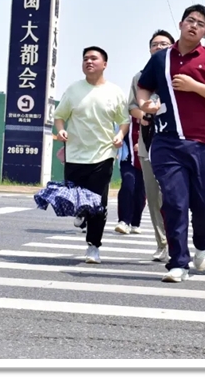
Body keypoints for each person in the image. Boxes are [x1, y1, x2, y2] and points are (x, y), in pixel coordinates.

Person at [136, 5, 205, 283]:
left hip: (204, 143)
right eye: (190, 20)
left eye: (200, 24)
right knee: (174, 203)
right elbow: (144, 86)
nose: (194, 26)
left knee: (204, 203)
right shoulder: (161, 59)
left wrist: (195, 86)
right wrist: (145, 103)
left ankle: (202, 244)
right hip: (166, 142)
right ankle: (178, 262)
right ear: (180, 24)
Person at [54, 46, 128, 264]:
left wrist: (120, 135)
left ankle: (93, 246)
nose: (89, 61)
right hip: (75, 153)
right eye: (85, 58)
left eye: (94, 58)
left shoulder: (115, 92)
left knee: (97, 202)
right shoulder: (73, 90)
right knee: (76, 198)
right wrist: (61, 130)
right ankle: (81, 212)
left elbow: (124, 120)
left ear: (104, 64)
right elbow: (59, 116)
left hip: (103, 153)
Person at [127, 29, 175, 262]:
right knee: (154, 197)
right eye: (155, 44)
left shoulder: (178, 75)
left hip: (175, 144)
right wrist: (144, 115)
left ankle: (177, 241)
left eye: (164, 44)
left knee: (174, 196)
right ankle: (162, 244)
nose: (159, 47)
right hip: (148, 143)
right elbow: (132, 107)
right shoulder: (139, 77)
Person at [115, 117, 146, 235]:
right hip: (127, 159)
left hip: (144, 161)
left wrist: (143, 144)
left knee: (140, 191)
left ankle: (135, 222)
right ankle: (123, 221)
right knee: (128, 185)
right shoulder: (126, 118)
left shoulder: (151, 117)